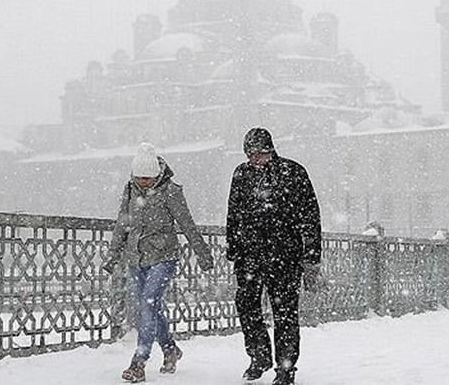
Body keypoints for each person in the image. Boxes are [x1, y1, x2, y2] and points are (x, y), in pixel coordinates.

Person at [105, 142, 214, 383]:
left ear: (157, 174)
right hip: (136, 258)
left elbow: (187, 224)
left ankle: (139, 361)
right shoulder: (130, 190)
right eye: (139, 177)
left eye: (148, 178)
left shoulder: (171, 191)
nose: (144, 182)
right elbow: (122, 224)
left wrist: (203, 254)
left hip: (164, 257)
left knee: (148, 303)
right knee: (151, 308)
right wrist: (113, 255)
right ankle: (170, 349)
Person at [226, 128, 322, 385]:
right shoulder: (241, 174)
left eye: (261, 154)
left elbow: (310, 216)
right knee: (246, 305)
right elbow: (234, 212)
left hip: (285, 255)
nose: (256, 159)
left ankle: (286, 367)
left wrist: (312, 254)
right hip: (250, 255)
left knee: (285, 312)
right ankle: (259, 356)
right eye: (252, 155)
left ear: (271, 150)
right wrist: (234, 246)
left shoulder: (293, 172)